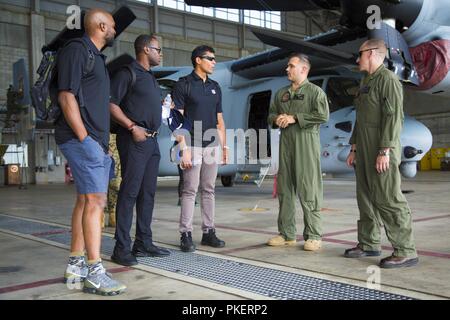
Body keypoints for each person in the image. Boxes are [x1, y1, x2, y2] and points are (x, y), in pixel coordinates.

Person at [57, 8, 126, 295]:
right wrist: (85, 139)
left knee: (86, 201)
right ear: (100, 26)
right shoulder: (78, 49)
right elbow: (65, 95)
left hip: (92, 141)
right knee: (96, 201)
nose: (114, 30)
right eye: (111, 26)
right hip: (81, 139)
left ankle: (76, 266)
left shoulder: (94, 56)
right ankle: (95, 270)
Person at [344, 39, 418, 268]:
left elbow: (394, 117)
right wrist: (354, 147)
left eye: (360, 54)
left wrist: (385, 150)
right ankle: (368, 243)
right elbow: (361, 118)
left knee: (389, 198)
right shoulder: (366, 81)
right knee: (365, 197)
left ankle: (406, 250)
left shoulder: (388, 80)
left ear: (373, 53)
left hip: (381, 147)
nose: (358, 59)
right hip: (364, 149)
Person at [109, 34, 170, 266]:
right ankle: (121, 247)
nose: (160, 53)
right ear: (145, 49)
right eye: (158, 49)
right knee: (130, 192)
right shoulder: (128, 73)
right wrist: (132, 126)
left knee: (148, 194)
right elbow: (111, 104)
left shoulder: (150, 77)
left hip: (152, 141)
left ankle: (143, 242)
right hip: (135, 139)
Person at [267, 53, 329, 251]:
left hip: (306, 144)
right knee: (285, 189)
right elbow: (271, 114)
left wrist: (295, 118)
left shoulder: (315, 92)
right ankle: (286, 234)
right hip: (285, 145)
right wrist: (276, 119)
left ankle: (314, 235)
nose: (287, 69)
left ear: (304, 69)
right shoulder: (281, 93)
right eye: (287, 66)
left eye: (291, 66)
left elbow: (322, 115)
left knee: (308, 189)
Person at [172, 45, 228, 252]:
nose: (214, 62)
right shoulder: (183, 85)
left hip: (212, 144)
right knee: (189, 190)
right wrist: (183, 148)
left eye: (214, 59)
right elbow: (175, 120)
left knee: (209, 189)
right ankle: (185, 234)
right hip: (192, 144)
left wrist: (224, 146)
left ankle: (208, 232)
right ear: (198, 60)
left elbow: (220, 120)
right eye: (210, 58)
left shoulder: (215, 86)